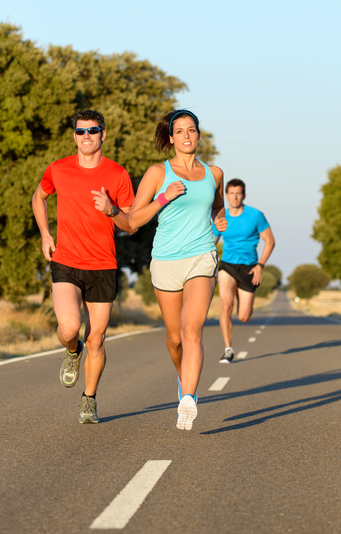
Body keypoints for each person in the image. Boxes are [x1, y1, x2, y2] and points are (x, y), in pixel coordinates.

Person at [31, 109, 136, 424]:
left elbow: (131, 224)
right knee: (70, 329)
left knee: (98, 339)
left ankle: (89, 399)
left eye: (92, 130)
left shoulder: (118, 175)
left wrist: (111, 209)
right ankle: (72, 350)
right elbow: (39, 198)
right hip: (66, 260)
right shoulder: (59, 169)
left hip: (103, 265)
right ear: (74, 136)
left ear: (103, 134)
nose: (86, 136)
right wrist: (45, 234)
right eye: (80, 131)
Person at [128, 109, 227, 431]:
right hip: (166, 260)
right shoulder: (158, 172)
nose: (186, 135)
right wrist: (163, 198)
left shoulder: (215, 173)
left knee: (191, 330)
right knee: (174, 340)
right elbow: (132, 221)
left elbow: (217, 206)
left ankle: (188, 395)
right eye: (180, 131)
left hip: (201, 256)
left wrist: (218, 220)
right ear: (171, 138)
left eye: (192, 130)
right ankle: (182, 377)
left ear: (199, 135)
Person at [213, 178, 275, 363]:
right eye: (231, 193)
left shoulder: (255, 215)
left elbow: (270, 241)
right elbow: (212, 242)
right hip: (228, 265)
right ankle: (228, 349)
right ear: (226, 195)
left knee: (244, 316)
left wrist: (261, 265)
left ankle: (245, 299)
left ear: (244, 195)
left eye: (238, 193)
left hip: (250, 267)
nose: (234, 197)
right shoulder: (221, 217)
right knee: (226, 305)